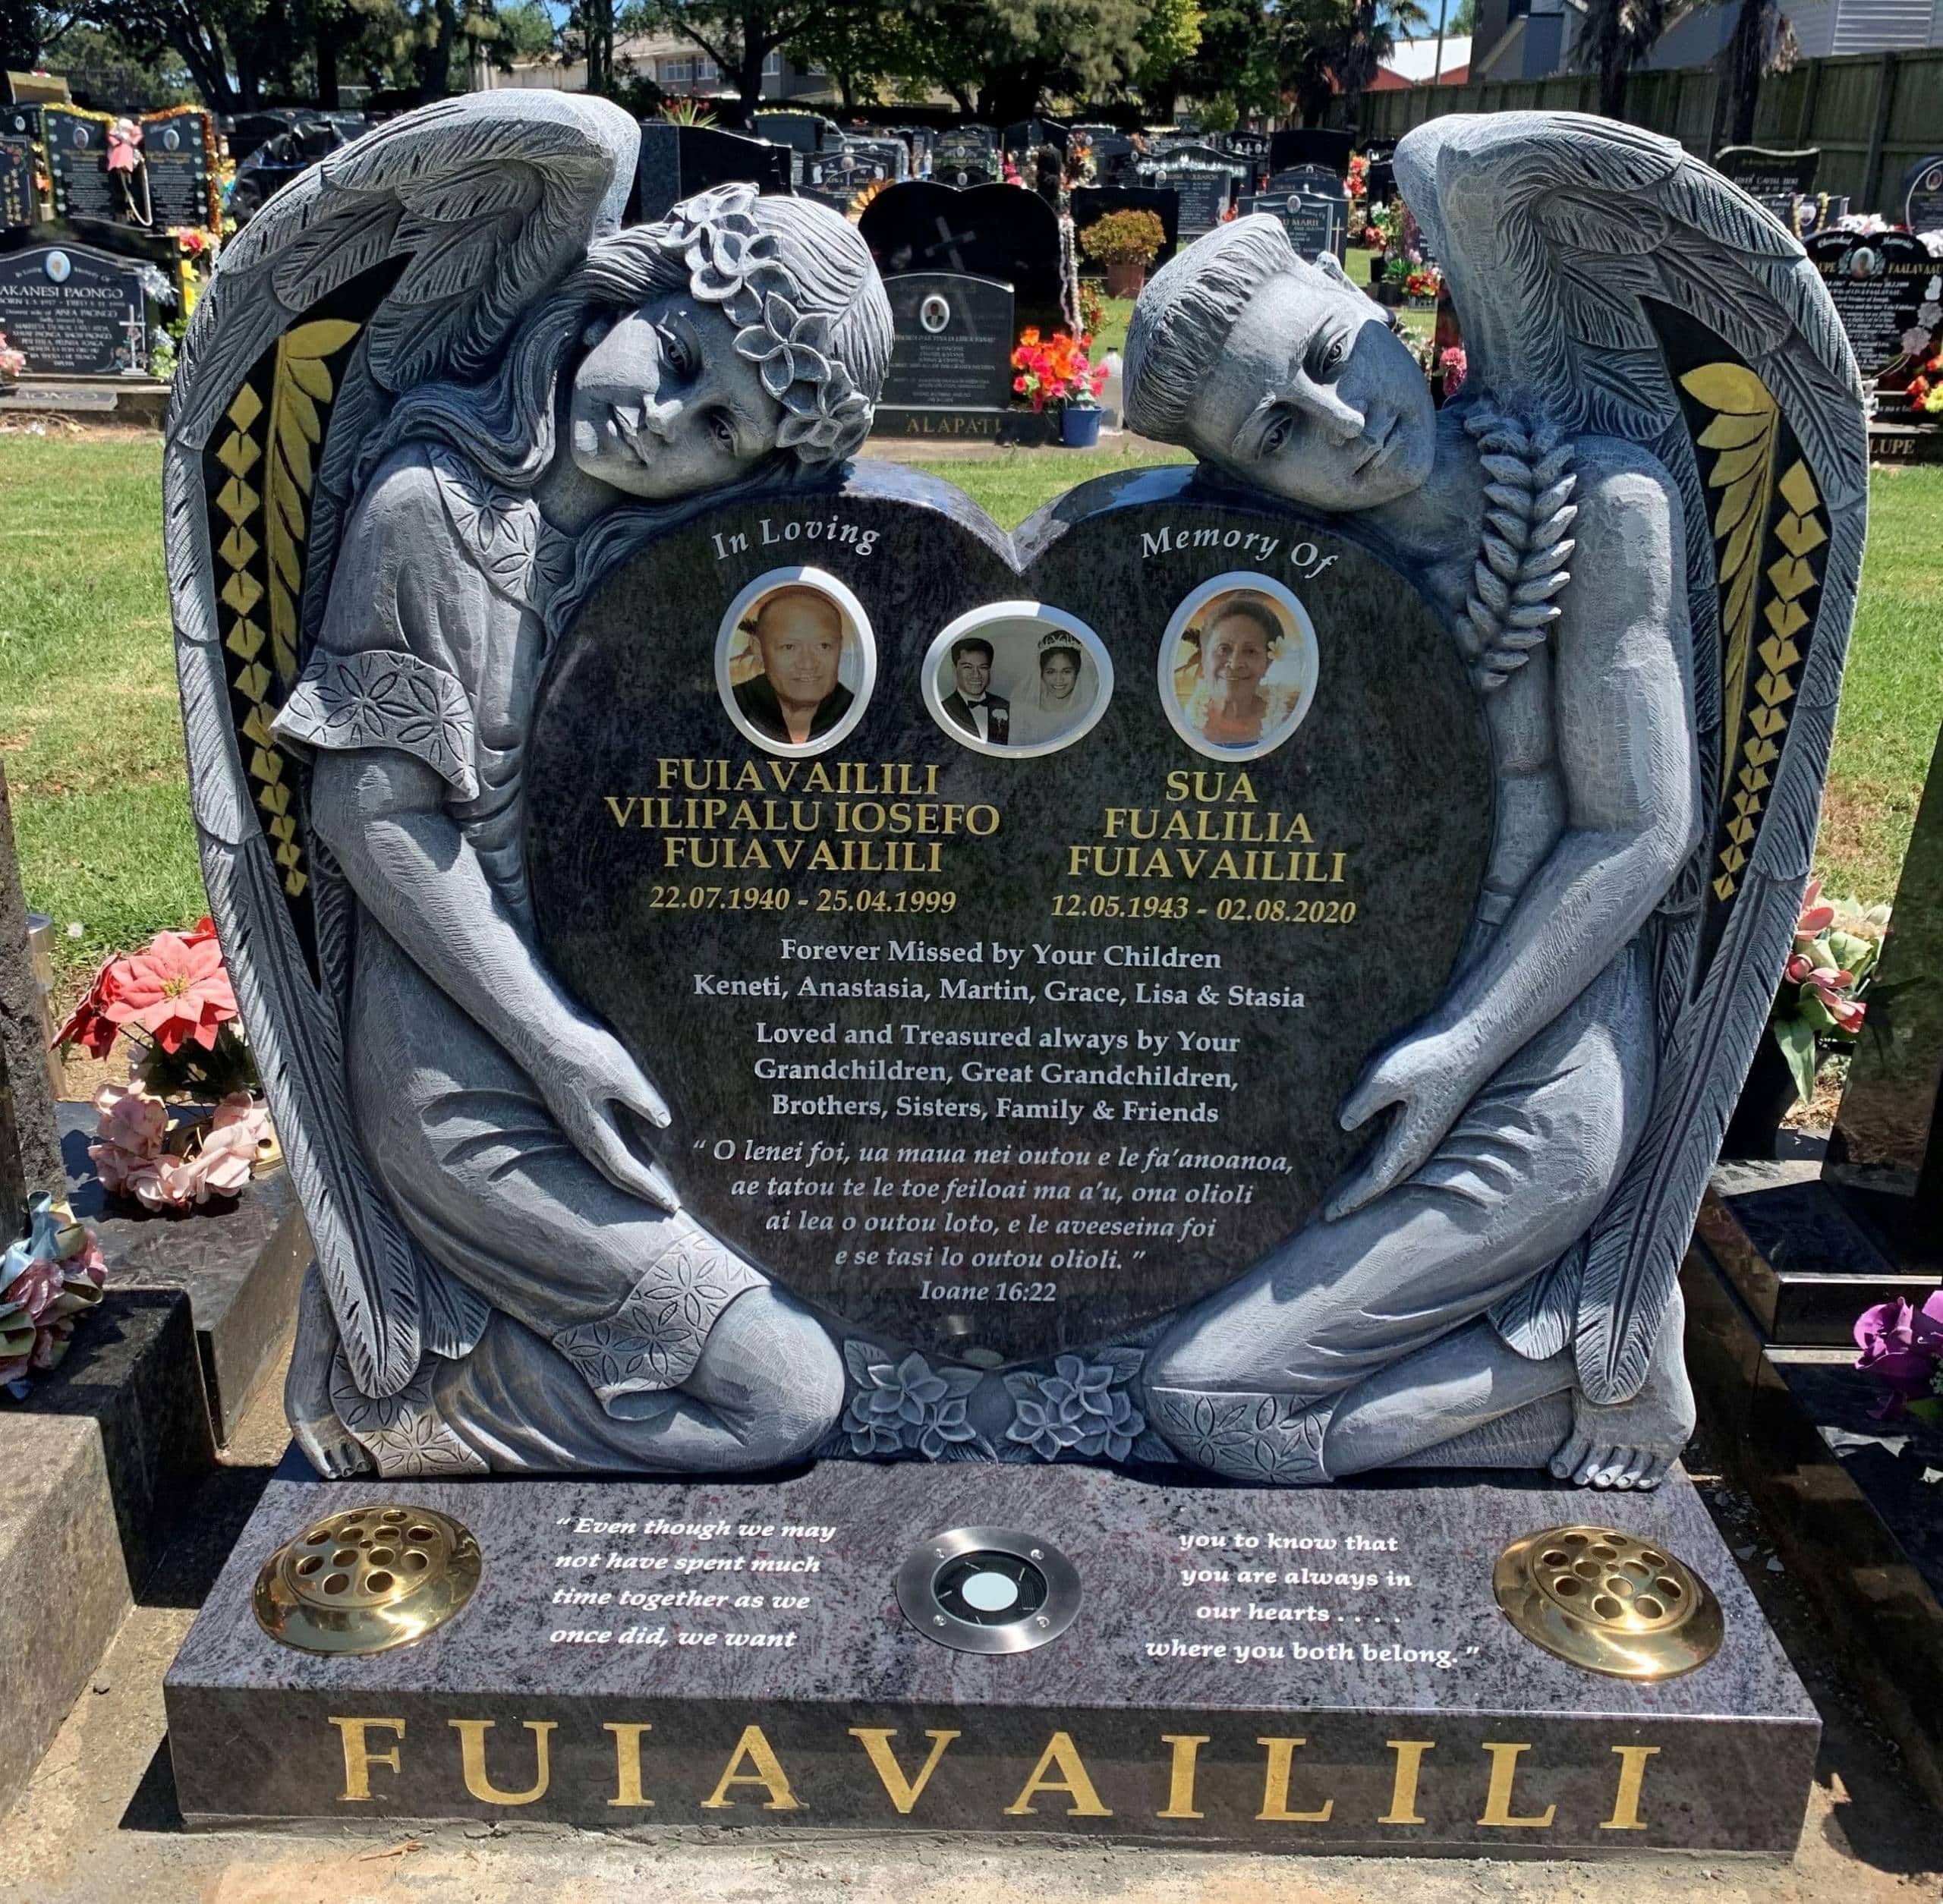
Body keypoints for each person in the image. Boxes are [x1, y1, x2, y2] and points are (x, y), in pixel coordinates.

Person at [271, 184, 893, 1478]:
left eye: (720, 427)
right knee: (785, 1394)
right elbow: (369, 814)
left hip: (608, 1041)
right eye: (677, 358)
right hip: (469, 1074)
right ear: (627, 294)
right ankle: (408, 1395)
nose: (664, 421)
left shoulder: (627, 556)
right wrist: (554, 1044)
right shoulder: (432, 509)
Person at [1122, 216, 1701, 1489]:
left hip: (1527, 1063)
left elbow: (1639, 828)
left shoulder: (1602, 506)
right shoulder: (1285, 576)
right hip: (1353, 1062)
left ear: (1359, 291)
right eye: (1279, 434)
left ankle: (1594, 1355)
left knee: (1208, 1398)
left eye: (1332, 357)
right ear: (1242, 476)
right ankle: (1549, 1356)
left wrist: (1461, 1048)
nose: (1343, 425)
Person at [732, 587, 853, 745]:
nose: (808, 664)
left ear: (839, 648)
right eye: (789, 647)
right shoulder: (727, 709)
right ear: (759, 649)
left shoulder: (868, 716)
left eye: (823, 646)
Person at [1179, 593, 1301, 750]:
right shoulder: (1186, 717)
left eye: (1250, 651)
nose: (1235, 664)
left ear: (1268, 662)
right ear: (1205, 657)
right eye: (1224, 649)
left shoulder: (1287, 716)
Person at [1009, 629, 1094, 747]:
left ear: (1077, 672)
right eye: (1050, 672)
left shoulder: (1088, 709)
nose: (1058, 679)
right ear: (1041, 673)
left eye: (1066, 671)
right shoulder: (1023, 709)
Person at [940, 635, 1010, 742]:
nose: (976, 675)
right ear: (954, 669)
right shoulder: (944, 709)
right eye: (968, 667)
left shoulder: (1006, 706)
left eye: (983, 667)